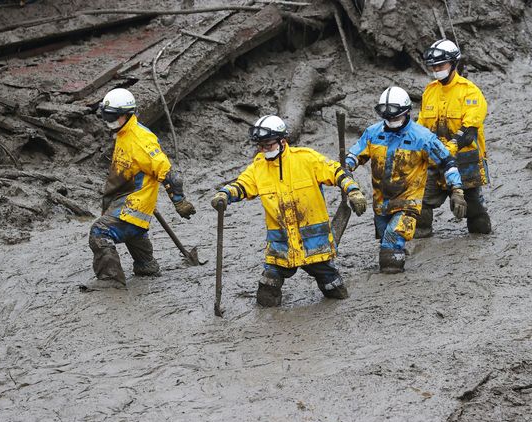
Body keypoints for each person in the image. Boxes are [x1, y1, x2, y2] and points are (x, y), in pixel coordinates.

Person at [210, 115, 367, 307]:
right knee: (267, 293)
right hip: (281, 246)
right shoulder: (258, 167)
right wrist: (224, 194)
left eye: (268, 145)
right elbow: (241, 185)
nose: (264, 150)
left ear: (282, 141)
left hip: (314, 245)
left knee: (333, 290)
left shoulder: (306, 159)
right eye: (261, 146)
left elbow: (337, 172)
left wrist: (353, 191)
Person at [83, 88, 196, 290]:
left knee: (100, 231)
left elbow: (168, 173)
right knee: (134, 232)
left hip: (132, 203)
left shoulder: (142, 140)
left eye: (114, 117)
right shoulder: (123, 131)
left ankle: (110, 280)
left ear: (127, 114)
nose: (109, 121)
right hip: (124, 198)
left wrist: (179, 201)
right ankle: (146, 266)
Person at [345, 86, 465, 273]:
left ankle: (391, 288)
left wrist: (457, 190)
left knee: (390, 251)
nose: (392, 121)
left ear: (407, 112)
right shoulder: (373, 133)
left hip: (408, 203)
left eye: (396, 117)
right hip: (381, 203)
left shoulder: (422, 137)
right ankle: (396, 253)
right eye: (388, 117)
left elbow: (447, 162)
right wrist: (346, 168)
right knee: (386, 239)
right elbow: (355, 155)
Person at [415, 38, 491, 237]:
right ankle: (421, 239)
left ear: (453, 63)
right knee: (421, 201)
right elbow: (420, 128)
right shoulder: (429, 92)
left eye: (441, 64)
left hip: (465, 161)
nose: (437, 69)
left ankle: (480, 242)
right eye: (434, 66)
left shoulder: (470, 91)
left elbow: (469, 131)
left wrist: (449, 149)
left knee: (475, 212)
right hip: (434, 161)